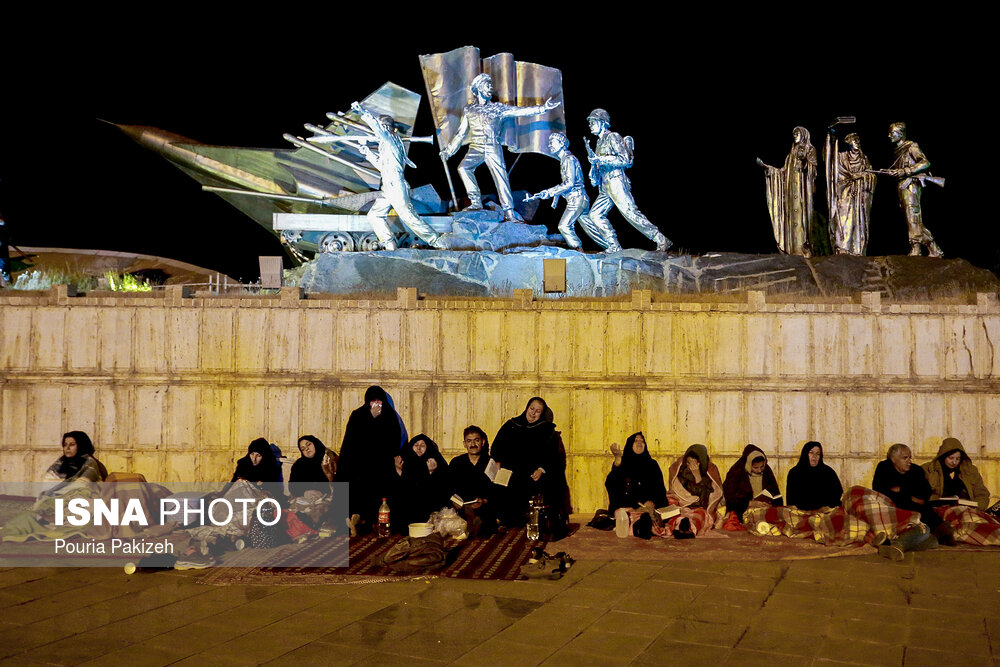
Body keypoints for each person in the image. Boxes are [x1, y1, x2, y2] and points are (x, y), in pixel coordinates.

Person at [440, 73, 561, 222]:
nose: (490, 88)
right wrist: (449, 151)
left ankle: (509, 212)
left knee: (501, 178)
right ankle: (476, 202)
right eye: (487, 85)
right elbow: (460, 134)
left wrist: (542, 108)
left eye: (491, 85)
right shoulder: (469, 110)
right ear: (478, 88)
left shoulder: (498, 108)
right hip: (476, 146)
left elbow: (519, 111)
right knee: (463, 168)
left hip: (492, 146)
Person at [351, 101, 445, 250]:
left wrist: (363, 112)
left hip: (395, 186)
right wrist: (367, 153)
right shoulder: (388, 144)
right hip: (389, 187)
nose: (379, 131)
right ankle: (389, 244)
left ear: (385, 128)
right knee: (374, 216)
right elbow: (383, 166)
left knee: (409, 217)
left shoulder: (389, 139)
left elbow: (376, 128)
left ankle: (437, 241)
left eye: (381, 128)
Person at [581, 109, 671, 252]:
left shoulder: (613, 137)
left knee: (630, 213)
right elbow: (599, 165)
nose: (590, 125)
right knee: (595, 215)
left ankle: (660, 239)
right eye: (590, 122)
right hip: (605, 184)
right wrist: (594, 170)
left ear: (603, 123)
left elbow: (625, 160)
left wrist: (600, 159)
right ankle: (614, 246)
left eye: (593, 122)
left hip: (617, 181)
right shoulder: (599, 142)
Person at [1, 431, 110, 543]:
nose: (67, 448)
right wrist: (48, 501)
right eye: (65, 445)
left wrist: (60, 501)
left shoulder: (90, 464)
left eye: (72, 445)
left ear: (81, 445)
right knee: (19, 522)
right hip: (54, 505)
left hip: (78, 504)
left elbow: (83, 487)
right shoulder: (60, 464)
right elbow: (48, 486)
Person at [527, 132, 621, 252]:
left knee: (564, 226)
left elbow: (570, 183)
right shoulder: (565, 159)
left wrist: (550, 192)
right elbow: (568, 185)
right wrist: (549, 194)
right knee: (591, 229)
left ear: (561, 144)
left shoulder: (569, 159)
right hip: (579, 198)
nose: (550, 145)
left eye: (552, 142)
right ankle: (613, 248)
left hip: (577, 199)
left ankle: (577, 249)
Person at [491, 397, 570, 536]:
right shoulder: (511, 425)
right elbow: (497, 446)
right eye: (531, 409)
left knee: (542, 487)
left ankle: (532, 522)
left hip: (532, 473)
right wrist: (498, 461)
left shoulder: (547, 430)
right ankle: (504, 521)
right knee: (499, 484)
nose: (533, 413)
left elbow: (553, 457)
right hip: (510, 471)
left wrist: (541, 469)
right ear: (527, 408)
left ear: (542, 413)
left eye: (538, 411)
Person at [335, 385, 403, 535]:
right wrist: (370, 418)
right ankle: (356, 520)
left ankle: (374, 523)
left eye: (380, 400)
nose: (377, 404)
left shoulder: (390, 416)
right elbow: (353, 441)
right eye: (373, 401)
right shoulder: (358, 415)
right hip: (360, 464)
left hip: (382, 465)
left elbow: (393, 441)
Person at [872, 443, 946, 558]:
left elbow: (925, 494)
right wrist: (911, 496)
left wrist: (901, 490)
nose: (909, 461)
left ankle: (890, 545)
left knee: (933, 540)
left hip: (921, 514)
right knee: (924, 532)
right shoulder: (884, 467)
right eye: (905, 458)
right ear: (893, 459)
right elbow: (880, 492)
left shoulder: (916, 470)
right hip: (899, 514)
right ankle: (899, 545)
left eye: (910, 457)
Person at [885, 122, 943, 257]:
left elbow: (925, 162)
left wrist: (906, 170)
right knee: (911, 219)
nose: (889, 136)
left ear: (900, 133)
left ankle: (916, 247)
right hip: (902, 186)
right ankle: (934, 248)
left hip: (911, 185)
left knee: (913, 218)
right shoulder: (898, 150)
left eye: (891, 133)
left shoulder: (911, 146)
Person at [758, 126, 818, 256]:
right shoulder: (790, 155)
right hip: (791, 191)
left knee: (802, 219)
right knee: (791, 218)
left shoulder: (810, 149)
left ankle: (803, 248)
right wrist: (769, 169)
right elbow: (783, 172)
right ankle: (793, 248)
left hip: (802, 191)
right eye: (794, 133)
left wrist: (804, 161)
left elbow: (813, 169)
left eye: (798, 133)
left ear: (803, 135)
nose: (795, 135)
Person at [829, 133, 876, 255]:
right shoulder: (841, 157)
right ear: (848, 142)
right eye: (854, 140)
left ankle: (857, 249)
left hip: (860, 196)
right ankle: (843, 247)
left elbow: (871, 174)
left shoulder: (863, 159)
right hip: (846, 192)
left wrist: (862, 176)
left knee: (859, 220)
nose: (857, 142)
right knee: (845, 219)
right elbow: (837, 174)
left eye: (858, 140)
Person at [662, 444, 725, 536]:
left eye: (695, 462)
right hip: (682, 507)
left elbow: (705, 500)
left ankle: (688, 529)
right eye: (689, 462)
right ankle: (678, 527)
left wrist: (697, 477)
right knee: (676, 515)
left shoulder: (709, 475)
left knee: (697, 518)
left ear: (701, 463)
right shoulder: (682, 473)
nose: (692, 465)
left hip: (699, 508)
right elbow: (676, 492)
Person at [448, 426, 498, 538]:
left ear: (483, 442)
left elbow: (496, 490)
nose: (473, 444)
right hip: (462, 506)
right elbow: (448, 487)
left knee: (484, 516)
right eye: (469, 441)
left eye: (477, 440)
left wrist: (484, 500)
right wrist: (455, 501)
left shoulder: (491, 463)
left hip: (483, 506)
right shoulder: (456, 462)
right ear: (464, 444)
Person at [393, 434, 450, 531]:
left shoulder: (435, 461)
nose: (419, 448)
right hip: (408, 507)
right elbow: (402, 490)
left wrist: (431, 472)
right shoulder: (403, 461)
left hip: (428, 506)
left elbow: (439, 489)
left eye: (422, 445)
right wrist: (399, 471)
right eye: (416, 445)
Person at [605, 432, 667, 514]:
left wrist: (652, 502)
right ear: (630, 444)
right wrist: (617, 461)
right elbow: (612, 485)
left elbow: (660, 490)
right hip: (627, 510)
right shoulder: (623, 463)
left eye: (642, 441)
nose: (639, 443)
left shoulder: (652, 465)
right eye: (636, 440)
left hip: (649, 510)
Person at [922, 437, 990, 509]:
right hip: (938, 511)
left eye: (958, 459)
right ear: (943, 456)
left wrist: (976, 507)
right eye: (951, 458)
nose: (954, 462)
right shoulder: (929, 470)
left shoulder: (970, 470)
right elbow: (920, 495)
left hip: (967, 512)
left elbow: (982, 494)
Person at [722, 444, 782, 521]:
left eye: (762, 466)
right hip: (743, 511)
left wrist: (770, 504)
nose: (760, 470)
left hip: (764, 509)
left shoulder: (767, 471)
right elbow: (730, 499)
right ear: (748, 464)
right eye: (756, 467)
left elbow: (776, 494)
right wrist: (750, 503)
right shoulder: (736, 472)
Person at [785, 441, 844, 511]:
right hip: (802, 513)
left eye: (817, 454)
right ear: (805, 454)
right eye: (811, 453)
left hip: (825, 512)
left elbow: (837, 494)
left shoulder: (828, 472)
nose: (814, 456)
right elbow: (791, 500)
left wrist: (825, 508)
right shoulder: (794, 473)